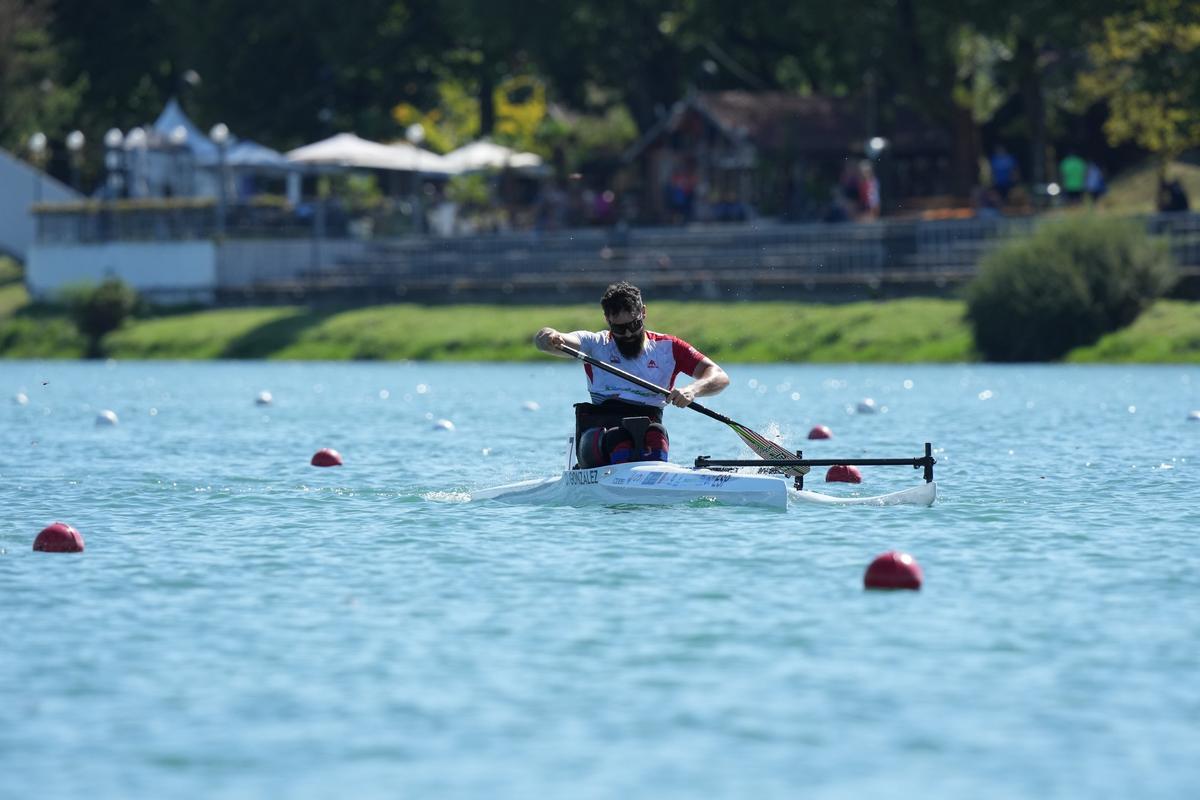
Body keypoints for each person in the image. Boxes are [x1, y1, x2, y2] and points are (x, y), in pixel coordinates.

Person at [533, 281, 730, 468]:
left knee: (656, 435)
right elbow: (553, 340)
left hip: (648, 429)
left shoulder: (668, 347)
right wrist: (549, 337)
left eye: (633, 325)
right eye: (619, 328)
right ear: (607, 319)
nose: (627, 334)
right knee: (620, 439)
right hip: (598, 438)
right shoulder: (595, 343)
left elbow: (719, 376)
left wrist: (692, 390)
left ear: (643, 312)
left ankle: (650, 480)